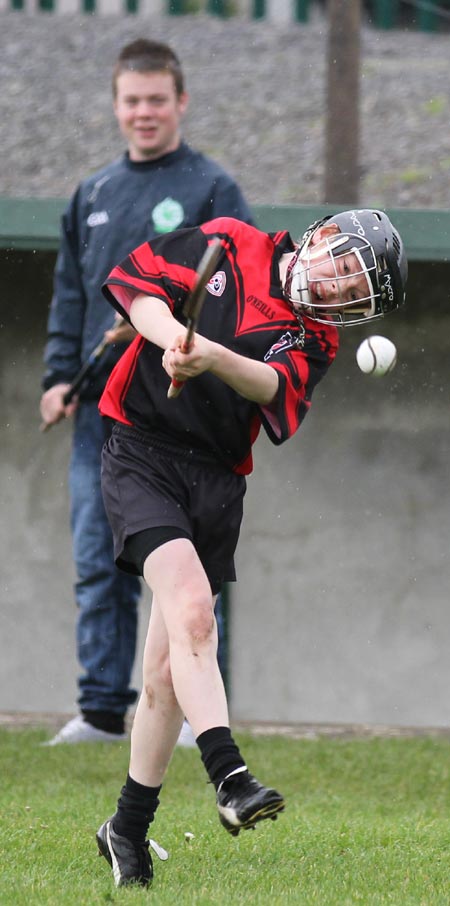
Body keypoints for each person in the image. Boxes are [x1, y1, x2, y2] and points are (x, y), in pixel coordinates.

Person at [94, 208, 407, 887]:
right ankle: (230, 777)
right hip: (140, 453)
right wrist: (176, 335)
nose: (336, 294)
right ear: (321, 237)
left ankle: (125, 829)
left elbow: (274, 388)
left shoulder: (314, 338)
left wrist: (212, 358)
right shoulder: (231, 242)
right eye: (341, 274)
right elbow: (138, 286)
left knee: (164, 677)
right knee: (194, 614)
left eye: (354, 296)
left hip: (215, 484)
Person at [39, 39, 253, 747]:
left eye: (157, 99)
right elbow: (71, 293)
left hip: (177, 420)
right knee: (97, 561)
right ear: (117, 106)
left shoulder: (212, 189)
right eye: (132, 100)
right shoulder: (93, 194)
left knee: (188, 571)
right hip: (97, 415)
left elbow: (243, 295)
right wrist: (57, 377)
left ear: (181, 102)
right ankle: (101, 711)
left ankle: (197, 711)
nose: (144, 113)